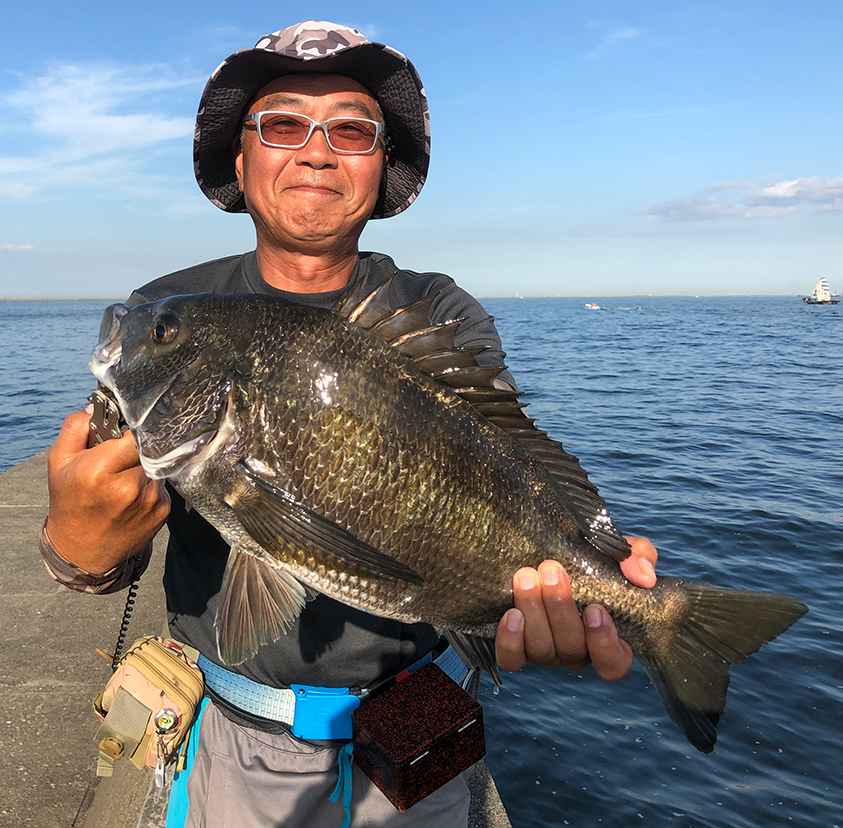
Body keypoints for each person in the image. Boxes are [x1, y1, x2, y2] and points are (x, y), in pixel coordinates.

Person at [40, 20, 658, 828]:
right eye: (285, 123)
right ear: (240, 156)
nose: (318, 150)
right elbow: (109, 540)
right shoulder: (173, 305)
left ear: (382, 162)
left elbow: (506, 461)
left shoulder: (438, 311)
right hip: (238, 728)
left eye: (352, 129)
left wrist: (579, 580)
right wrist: (76, 549)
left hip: (419, 719)